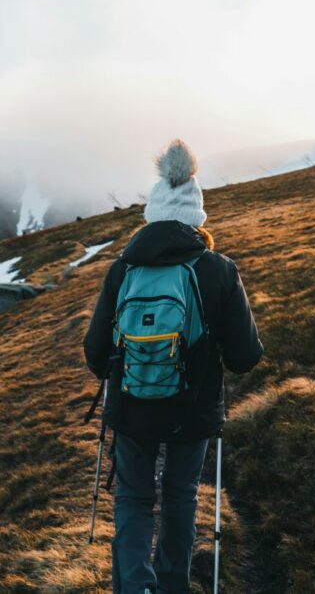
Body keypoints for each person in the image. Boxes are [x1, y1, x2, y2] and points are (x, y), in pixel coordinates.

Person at [83, 139, 264, 593]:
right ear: (197, 215)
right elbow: (244, 357)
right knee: (180, 495)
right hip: (193, 408)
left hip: (131, 406)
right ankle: (172, 585)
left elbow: (94, 352)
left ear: (153, 212)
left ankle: (134, 587)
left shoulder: (124, 268)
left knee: (133, 498)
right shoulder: (218, 269)